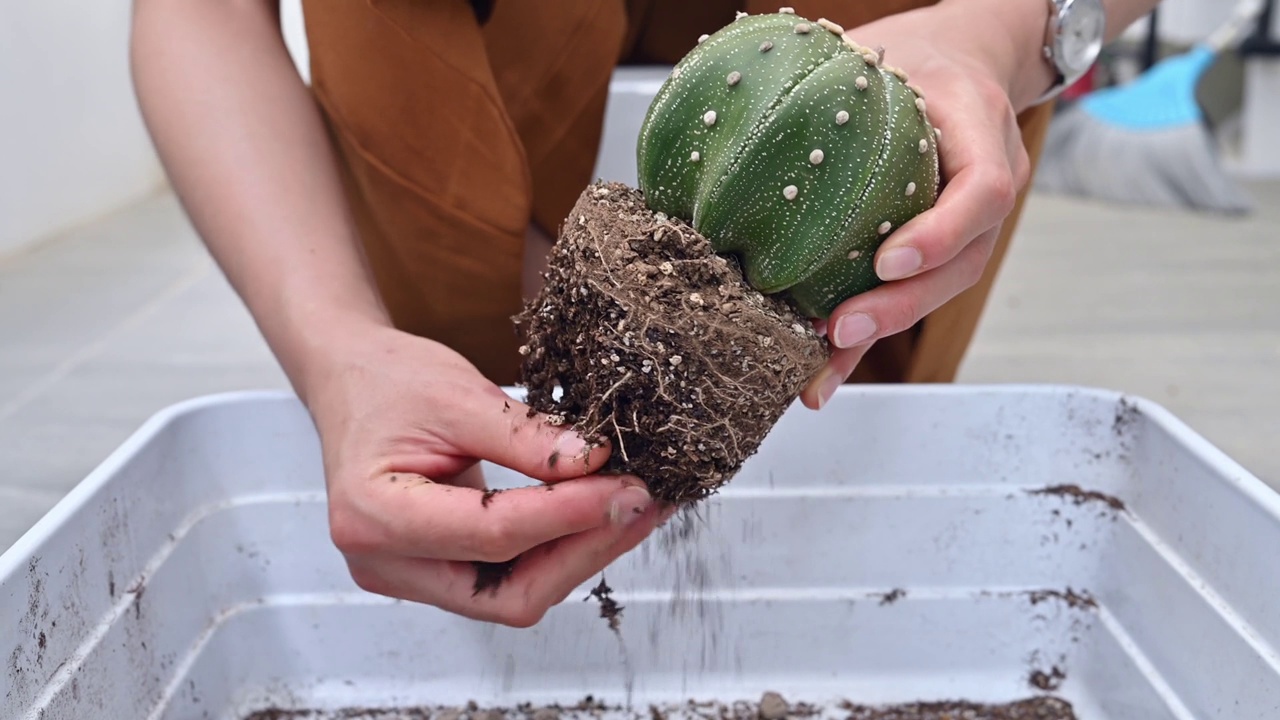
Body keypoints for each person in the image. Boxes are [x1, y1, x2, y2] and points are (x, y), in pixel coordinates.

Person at [128, 0, 1161, 626]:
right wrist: (336, 344)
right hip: (448, 133)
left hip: (886, 113)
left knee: (836, 490)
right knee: (464, 511)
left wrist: (996, 28)